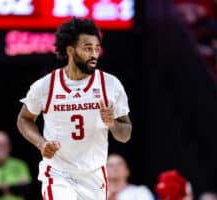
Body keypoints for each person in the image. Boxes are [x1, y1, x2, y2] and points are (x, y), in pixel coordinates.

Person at [17, 17, 132, 200]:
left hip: (94, 175)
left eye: (96, 48)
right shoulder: (45, 86)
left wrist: (112, 124)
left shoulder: (110, 84)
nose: (94, 54)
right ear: (70, 50)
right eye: (87, 48)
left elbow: (125, 134)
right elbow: (24, 119)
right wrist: (41, 143)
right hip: (58, 172)